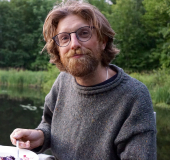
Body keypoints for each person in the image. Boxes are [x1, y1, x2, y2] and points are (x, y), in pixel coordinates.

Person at [10, 1, 157, 159]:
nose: (74, 44)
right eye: (64, 38)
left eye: (84, 33)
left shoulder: (134, 96)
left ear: (103, 41)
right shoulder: (62, 81)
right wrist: (41, 136)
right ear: (57, 50)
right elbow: (49, 123)